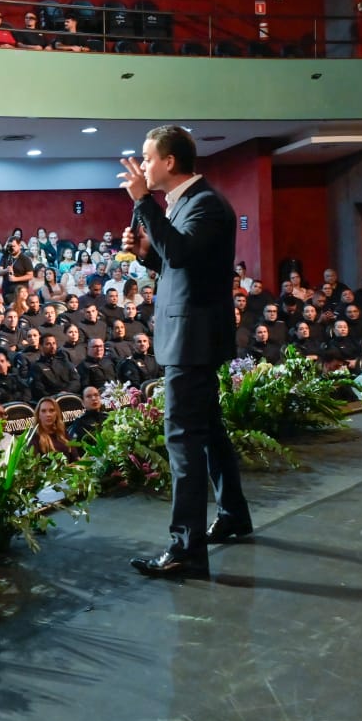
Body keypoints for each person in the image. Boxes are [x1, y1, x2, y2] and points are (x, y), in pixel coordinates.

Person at [120, 124, 252, 578]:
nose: (142, 165)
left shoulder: (205, 205)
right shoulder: (188, 205)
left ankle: (186, 549)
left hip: (192, 342)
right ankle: (233, 515)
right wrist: (144, 254)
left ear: (169, 162)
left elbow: (179, 255)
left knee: (182, 442)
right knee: (209, 431)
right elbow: (179, 265)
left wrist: (142, 203)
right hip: (192, 337)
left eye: (148, 157)